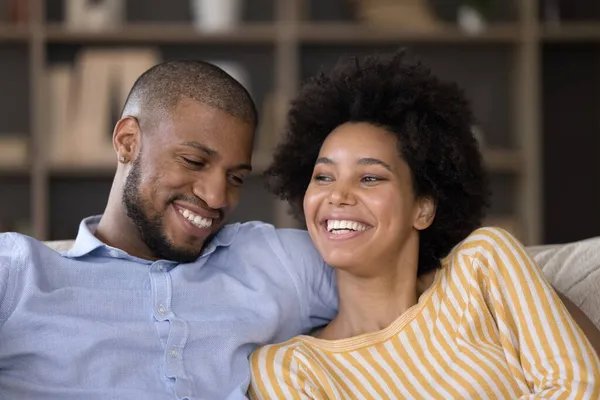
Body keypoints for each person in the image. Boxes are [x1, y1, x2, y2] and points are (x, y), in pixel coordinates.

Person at [0, 59, 596, 399]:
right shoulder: (17, 273)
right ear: (128, 142)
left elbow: (405, 277)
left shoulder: (275, 260)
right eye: (192, 161)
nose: (215, 198)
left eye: (236, 176)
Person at [249, 51, 600, 399]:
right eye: (323, 176)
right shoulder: (289, 369)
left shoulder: (483, 266)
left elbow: (580, 388)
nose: (338, 195)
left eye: (369, 178)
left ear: (423, 208)